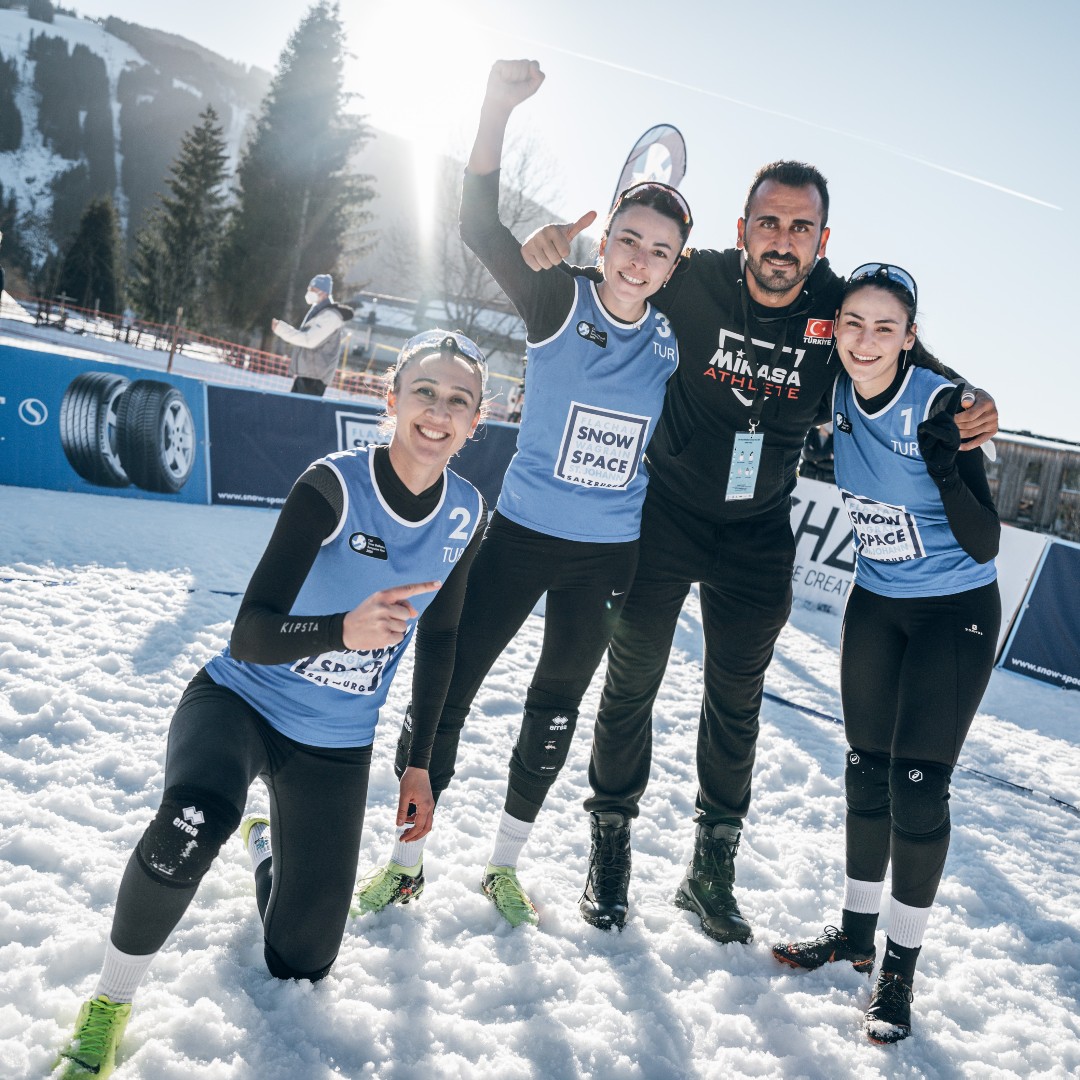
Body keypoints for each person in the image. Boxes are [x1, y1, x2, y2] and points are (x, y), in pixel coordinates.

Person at [520, 162, 998, 940]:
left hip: (758, 533)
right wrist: (548, 253)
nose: (782, 241)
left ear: (822, 241)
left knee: (735, 701)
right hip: (664, 515)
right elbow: (616, 279)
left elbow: (910, 355)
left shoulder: (835, 305)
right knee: (630, 683)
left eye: (799, 228)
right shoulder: (694, 278)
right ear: (741, 230)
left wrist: (971, 394)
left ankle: (711, 872)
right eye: (768, 224)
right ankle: (610, 847)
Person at [52, 330, 489, 1079]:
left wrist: (421, 767)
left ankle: (266, 844)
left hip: (336, 744)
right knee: (186, 829)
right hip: (240, 704)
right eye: (424, 391)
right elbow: (249, 632)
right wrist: (340, 630)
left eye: (458, 401)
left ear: (476, 422)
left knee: (302, 963)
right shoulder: (333, 486)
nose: (438, 412)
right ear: (391, 400)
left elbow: (442, 640)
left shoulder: (466, 513)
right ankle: (108, 1008)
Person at [354, 59, 692, 928]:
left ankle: (503, 865)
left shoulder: (674, 338)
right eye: (629, 241)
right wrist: (494, 107)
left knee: (554, 709)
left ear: (675, 263)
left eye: (661, 250)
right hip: (517, 537)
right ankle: (405, 861)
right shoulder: (555, 298)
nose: (640, 260)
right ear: (604, 238)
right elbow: (474, 223)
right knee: (448, 691)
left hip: (605, 557)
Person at [772, 263, 1000, 1044]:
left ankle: (898, 972)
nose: (865, 342)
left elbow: (984, 539)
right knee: (864, 768)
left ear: (909, 338)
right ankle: (856, 935)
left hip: (953, 614)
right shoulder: (836, 388)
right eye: (854, 325)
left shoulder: (938, 404)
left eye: (885, 328)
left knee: (916, 785)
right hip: (875, 605)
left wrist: (945, 463)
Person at [272, 273, 354, 396]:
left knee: (301, 412)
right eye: (308, 289)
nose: (309, 292)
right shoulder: (318, 312)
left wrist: (281, 329)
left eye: (313, 290)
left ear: (324, 292)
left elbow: (308, 340)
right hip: (307, 374)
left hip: (314, 378)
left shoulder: (330, 316)